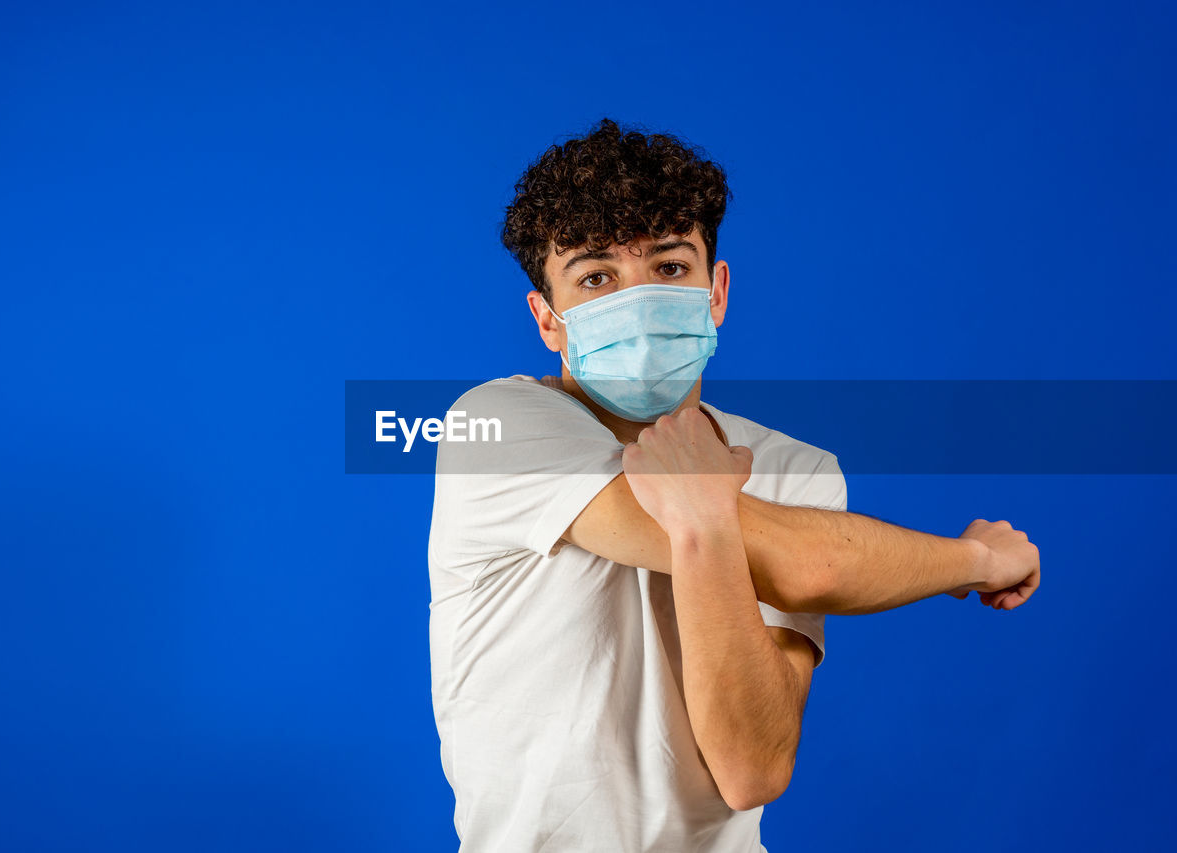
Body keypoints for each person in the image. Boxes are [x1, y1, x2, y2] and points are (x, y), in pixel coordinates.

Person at [427, 118, 1040, 852]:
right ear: (548, 320)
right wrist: (975, 559)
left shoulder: (795, 467)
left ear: (716, 290)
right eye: (596, 278)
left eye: (670, 267)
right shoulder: (492, 425)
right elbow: (814, 563)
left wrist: (706, 518)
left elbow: (752, 768)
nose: (640, 301)